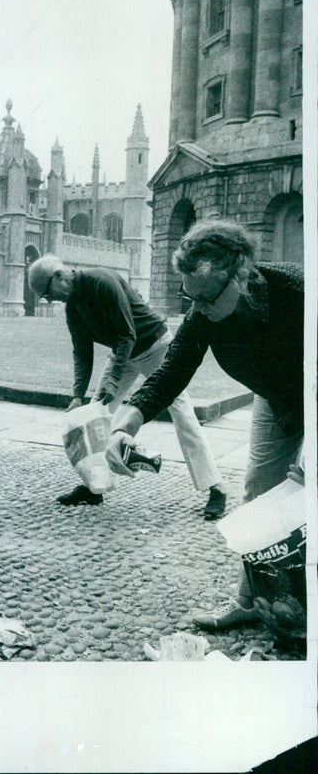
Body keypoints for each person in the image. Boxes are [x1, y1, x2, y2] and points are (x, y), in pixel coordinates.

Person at [104, 220, 304, 630]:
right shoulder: (203, 312)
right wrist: (126, 423)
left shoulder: (297, 292)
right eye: (188, 296)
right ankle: (251, 601)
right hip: (274, 396)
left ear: (242, 273)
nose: (199, 308)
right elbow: (170, 371)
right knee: (259, 494)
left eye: (207, 297)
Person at [27, 254, 226, 518]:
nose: (51, 300)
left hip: (156, 348)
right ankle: (95, 487)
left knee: (183, 415)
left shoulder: (102, 280)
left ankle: (216, 487)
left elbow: (126, 332)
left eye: (48, 294)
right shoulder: (72, 308)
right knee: (96, 415)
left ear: (59, 276)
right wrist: (78, 394)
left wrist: (112, 378)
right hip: (124, 355)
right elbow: (82, 351)